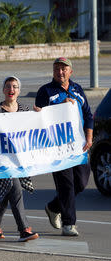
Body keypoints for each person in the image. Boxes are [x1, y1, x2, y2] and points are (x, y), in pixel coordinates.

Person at [35, 57, 93, 237]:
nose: (60, 72)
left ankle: (53, 207)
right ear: (53, 71)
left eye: (64, 69)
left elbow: (88, 115)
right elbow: (39, 117)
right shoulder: (46, 91)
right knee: (66, 184)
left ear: (70, 72)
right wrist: (61, 106)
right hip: (57, 147)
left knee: (81, 183)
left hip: (78, 145)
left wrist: (89, 138)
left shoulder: (77, 89)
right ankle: (69, 224)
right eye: (57, 69)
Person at [0, 76, 39, 242]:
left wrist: (38, 116)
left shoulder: (24, 110)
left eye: (15, 86)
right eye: (8, 86)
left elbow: (35, 129)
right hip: (1, 162)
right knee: (14, 189)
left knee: (6, 192)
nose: (11, 90)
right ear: (3, 90)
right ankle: (23, 229)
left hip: (19, 161)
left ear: (19, 91)